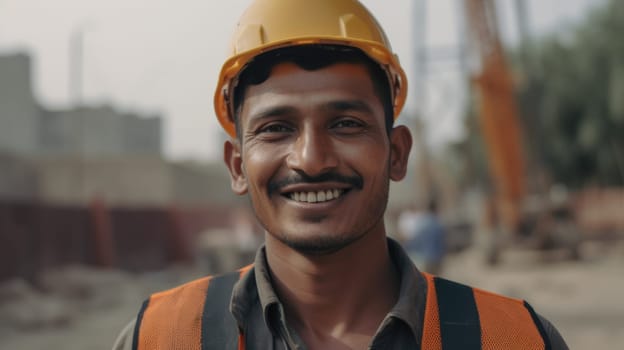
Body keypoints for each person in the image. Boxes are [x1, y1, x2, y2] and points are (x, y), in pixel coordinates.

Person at [113, 0, 568, 348]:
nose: (311, 160)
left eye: (346, 124)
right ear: (237, 165)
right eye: (276, 129)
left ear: (397, 153)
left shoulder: (514, 338)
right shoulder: (160, 337)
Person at [403, 199, 447, 275]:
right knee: (438, 281)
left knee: (428, 281)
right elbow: (443, 241)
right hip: (437, 257)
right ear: (435, 209)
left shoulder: (422, 222)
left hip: (425, 257)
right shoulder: (438, 223)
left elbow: (415, 241)